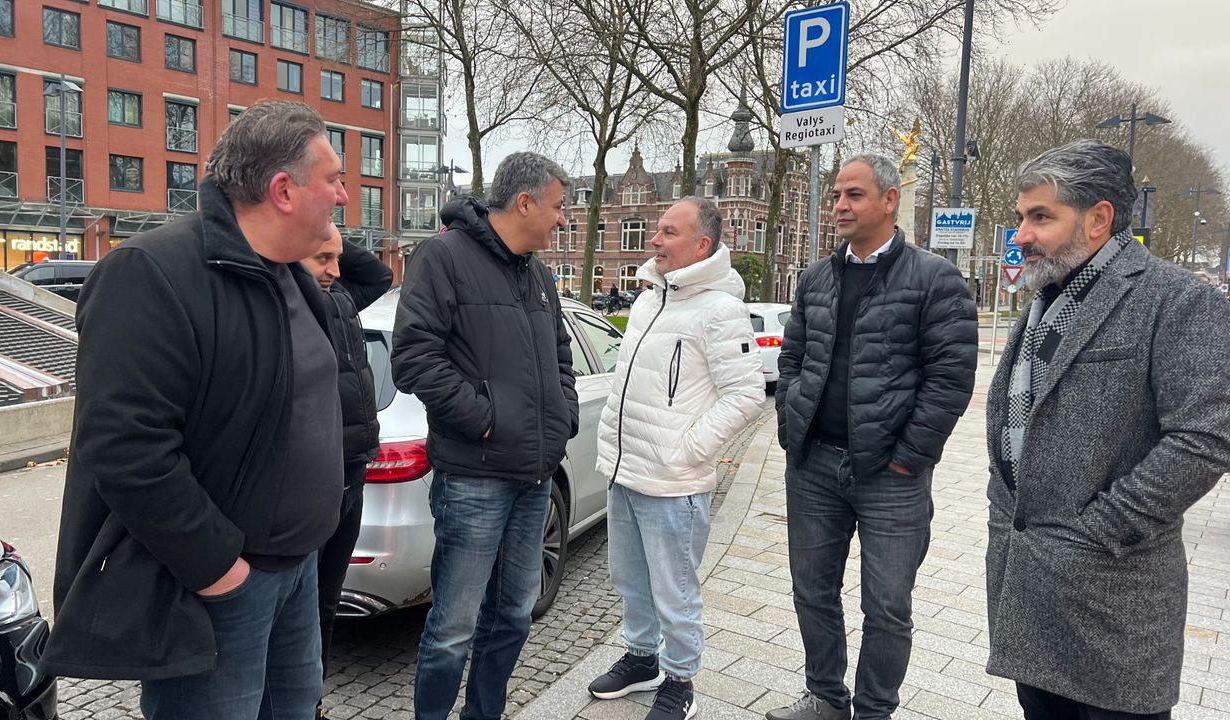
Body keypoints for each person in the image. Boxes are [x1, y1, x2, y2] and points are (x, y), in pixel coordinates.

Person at [41, 100, 348, 719]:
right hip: (222, 590)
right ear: (282, 190)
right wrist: (219, 570)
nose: (344, 196)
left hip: (297, 573)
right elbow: (124, 447)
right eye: (334, 179)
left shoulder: (289, 274)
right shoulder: (151, 272)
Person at [985, 139, 1230, 719]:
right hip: (1031, 594)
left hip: (1114, 600)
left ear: (1099, 219)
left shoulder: (1177, 300)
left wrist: (1104, 529)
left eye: (1040, 216)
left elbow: (1206, 435)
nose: (1022, 233)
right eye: (1022, 216)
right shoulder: (1047, 295)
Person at [769, 154, 978, 720]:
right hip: (814, 466)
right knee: (812, 591)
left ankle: (874, 710)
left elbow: (951, 377)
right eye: (836, 195)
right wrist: (793, 427)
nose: (839, 205)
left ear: (889, 201)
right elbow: (792, 360)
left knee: (887, 606)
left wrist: (910, 459)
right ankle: (826, 697)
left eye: (854, 195)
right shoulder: (815, 277)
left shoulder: (934, 278)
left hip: (891, 475)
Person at [390, 151, 579, 720]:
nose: (563, 220)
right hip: (473, 478)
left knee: (517, 612)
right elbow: (414, 358)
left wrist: (562, 415)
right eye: (558, 207)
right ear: (524, 203)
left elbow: (561, 356)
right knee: (453, 624)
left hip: (534, 476)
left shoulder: (540, 274)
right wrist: (486, 418)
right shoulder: (443, 258)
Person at [590, 197, 764, 720]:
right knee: (630, 577)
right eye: (657, 230)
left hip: (674, 482)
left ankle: (680, 681)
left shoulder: (720, 310)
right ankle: (641, 659)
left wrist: (687, 451)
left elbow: (747, 395)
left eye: (668, 232)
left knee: (676, 589)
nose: (655, 240)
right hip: (627, 470)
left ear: (701, 245)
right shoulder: (649, 299)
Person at [301, 223, 393, 718]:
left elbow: (377, 274)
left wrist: (328, 238)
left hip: (352, 472)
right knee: (301, 608)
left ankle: (310, 697)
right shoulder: (294, 301)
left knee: (325, 604)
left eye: (337, 260)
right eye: (321, 260)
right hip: (315, 478)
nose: (334, 271)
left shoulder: (338, 298)